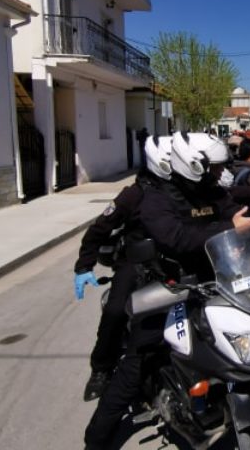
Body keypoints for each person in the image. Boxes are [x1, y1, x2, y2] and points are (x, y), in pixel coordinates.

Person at [84, 132, 250, 449]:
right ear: (195, 166)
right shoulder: (156, 198)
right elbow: (176, 238)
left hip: (213, 284)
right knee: (135, 366)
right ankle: (95, 439)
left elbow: (234, 207)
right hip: (167, 289)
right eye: (215, 167)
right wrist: (228, 227)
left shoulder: (210, 192)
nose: (220, 173)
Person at [74, 135, 172, 402]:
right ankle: (101, 368)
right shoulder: (134, 194)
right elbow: (99, 229)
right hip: (136, 262)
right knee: (116, 310)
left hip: (173, 259)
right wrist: (84, 266)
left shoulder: (181, 190)